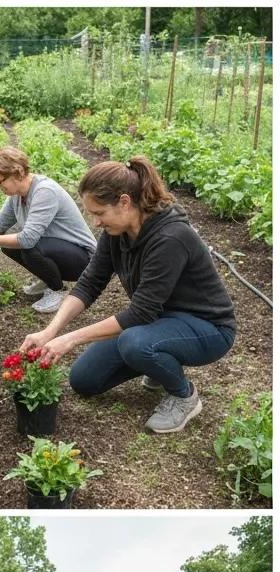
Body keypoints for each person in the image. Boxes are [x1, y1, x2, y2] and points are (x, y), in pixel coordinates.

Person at [23, 156, 236, 434]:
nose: (96, 222)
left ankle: (184, 397)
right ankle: (159, 359)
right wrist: (50, 332)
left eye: (99, 213)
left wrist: (71, 339)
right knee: (84, 380)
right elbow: (89, 283)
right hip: (161, 321)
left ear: (125, 202)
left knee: (134, 342)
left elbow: (140, 313)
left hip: (207, 328)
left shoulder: (171, 238)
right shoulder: (117, 232)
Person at [0, 147, 96, 314]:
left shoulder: (44, 191)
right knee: (7, 242)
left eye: (0, 181)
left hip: (85, 260)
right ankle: (48, 279)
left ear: (17, 173)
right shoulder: (17, 195)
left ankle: (58, 291)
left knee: (29, 246)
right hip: (63, 252)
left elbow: (28, 239)